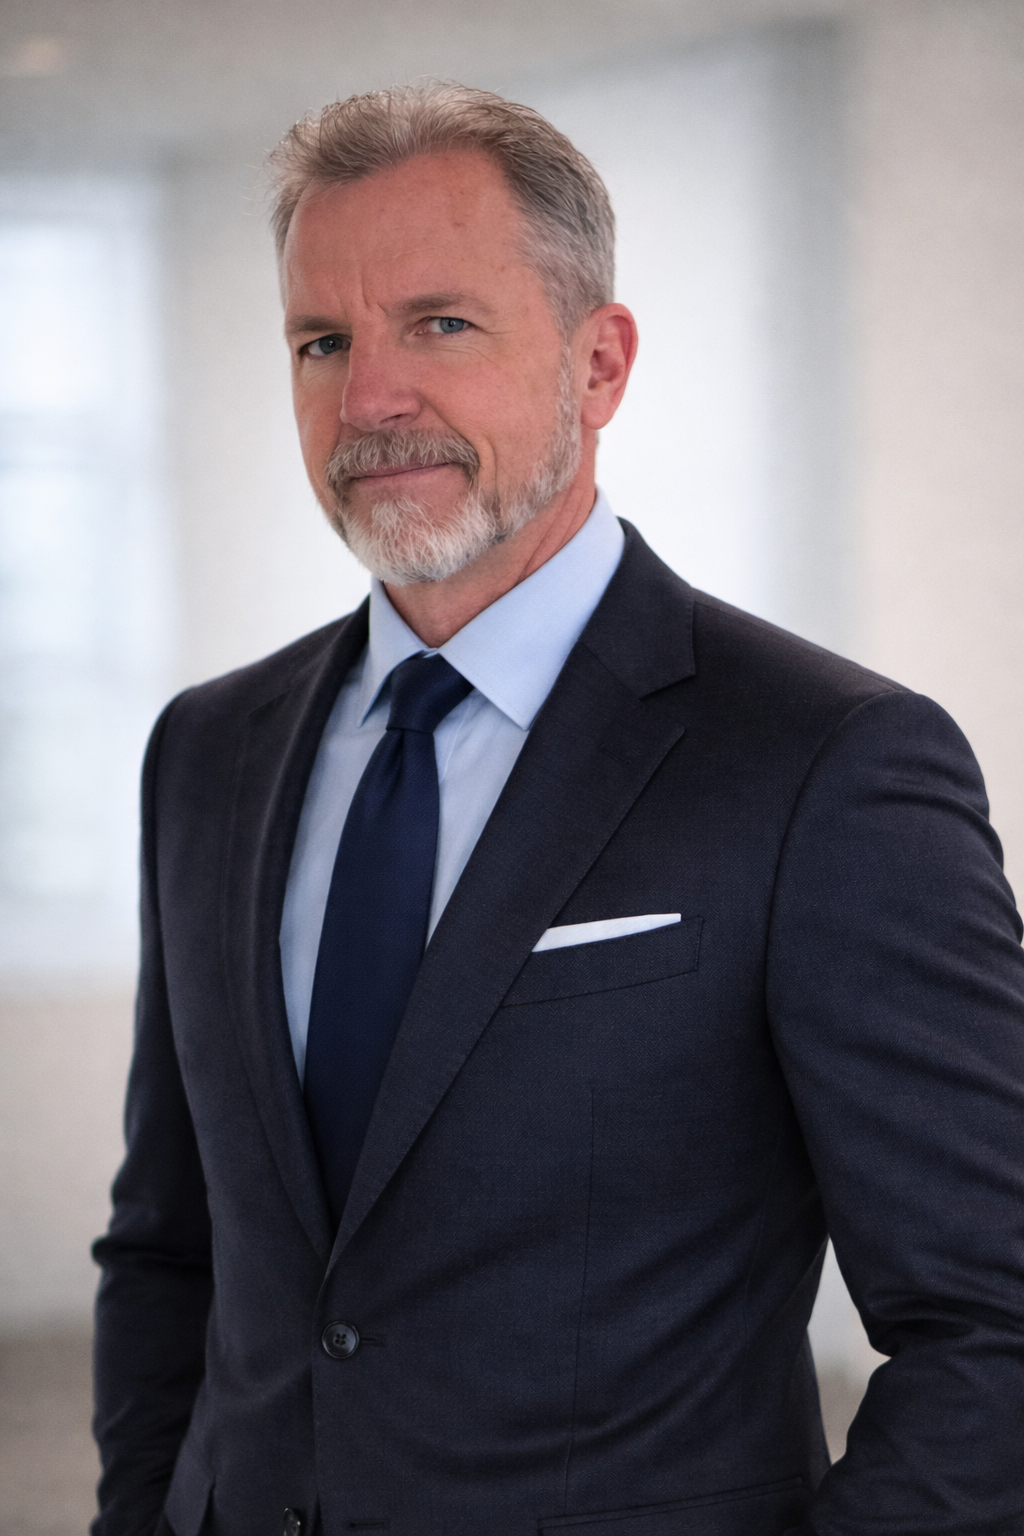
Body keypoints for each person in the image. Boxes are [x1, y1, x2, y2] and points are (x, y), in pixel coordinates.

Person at [92, 83, 1024, 1536]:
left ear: (600, 364)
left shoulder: (826, 765)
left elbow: (994, 1325)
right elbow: (170, 1250)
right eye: (322, 342)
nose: (369, 398)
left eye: (440, 323)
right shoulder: (207, 752)